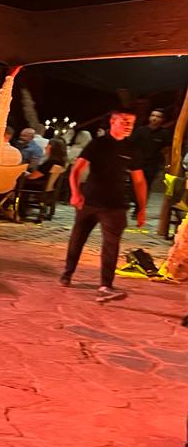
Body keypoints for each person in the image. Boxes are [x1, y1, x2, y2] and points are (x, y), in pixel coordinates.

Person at [61, 109, 148, 302]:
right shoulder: (98, 144)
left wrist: (142, 208)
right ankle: (67, 272)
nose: (128, 125)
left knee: (111, 244)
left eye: (131, 122)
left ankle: (106, 285)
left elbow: (139, 180)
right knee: (78, 238)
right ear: (113, 121)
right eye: (124, 121)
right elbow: (76, 170)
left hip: (116, 205)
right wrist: (75, 193)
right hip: (90, 201)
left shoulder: (132, 149)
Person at [130, 109, 172, 194]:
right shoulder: (140, 130)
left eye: (158, 116)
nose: (154, 118)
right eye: (153, 115)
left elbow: (167, 149)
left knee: (146, 186)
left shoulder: (165, 133)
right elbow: (131, 145)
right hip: (137, 163)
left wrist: (167, 165)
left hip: (153, 165)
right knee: (133, 186)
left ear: (163, 119)